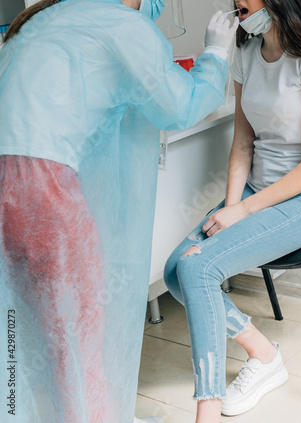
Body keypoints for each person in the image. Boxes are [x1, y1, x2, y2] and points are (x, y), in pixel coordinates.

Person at [0, 0, 238, 422]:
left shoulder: (43, 17)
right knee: (82, 334)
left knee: (24, 332)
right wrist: (216, 55)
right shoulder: (122, 27)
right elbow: (180, 107)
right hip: (45, 192)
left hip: (9, 188)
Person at [163, 0, 301, 422]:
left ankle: (206, 410)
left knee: (198, 270)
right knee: (175, 271)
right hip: (256, 191)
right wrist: (233, 206)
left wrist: (242, 213)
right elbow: (242, 143)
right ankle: (263, 353)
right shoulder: (247, 55)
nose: (238, 2)